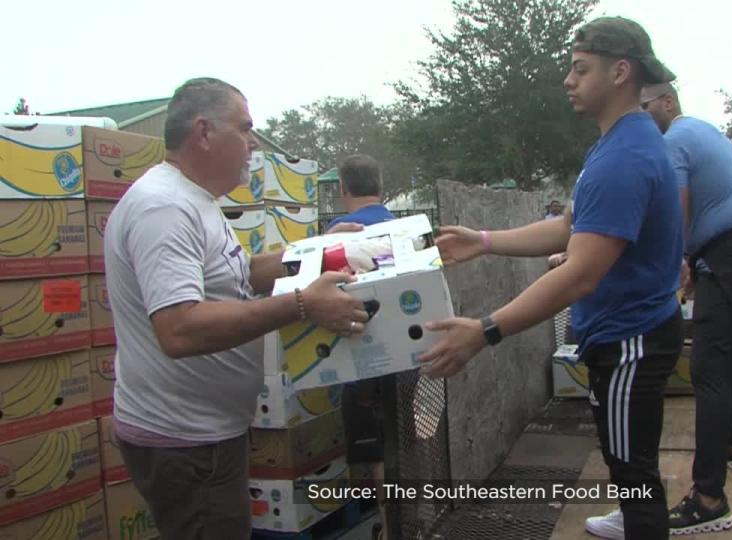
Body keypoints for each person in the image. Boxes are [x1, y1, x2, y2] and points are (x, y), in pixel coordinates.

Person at [419, 17, 683, 540]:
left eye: (580, 69)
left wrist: (486, 328)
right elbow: (569, 228)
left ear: (620, 72)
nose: (568, 80)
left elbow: (580, 273)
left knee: (635, 473)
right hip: (624, 332)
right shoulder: (614, 146)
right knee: (624, 459)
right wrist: (486, 241)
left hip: (632, 338)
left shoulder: (624, 157)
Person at [104, 78, 370, 540]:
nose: (251, 143)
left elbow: (238, 273)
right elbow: (180, 328)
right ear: (204, 132)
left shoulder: (195, 200)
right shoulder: (164, 208)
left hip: (206, 434)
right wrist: (304, 304)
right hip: (187, 442)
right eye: (244, 129)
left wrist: (315, 250)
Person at [641, 82, 732, 535]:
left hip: (730, 254)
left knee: (707, 367)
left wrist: (675, 267)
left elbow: (677, 211)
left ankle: (708, 499)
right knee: (723, 361)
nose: (642, 115)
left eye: (645, 107)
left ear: (668, 102)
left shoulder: (674, 141)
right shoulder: (708, 132)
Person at [327, 154, 396, 540]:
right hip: (410, 357)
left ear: (342, 188)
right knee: (401, 441)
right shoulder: (402, 226)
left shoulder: (339, 232)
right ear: (380, 185)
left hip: (362, 357)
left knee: (373, 454)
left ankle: (387, 528)